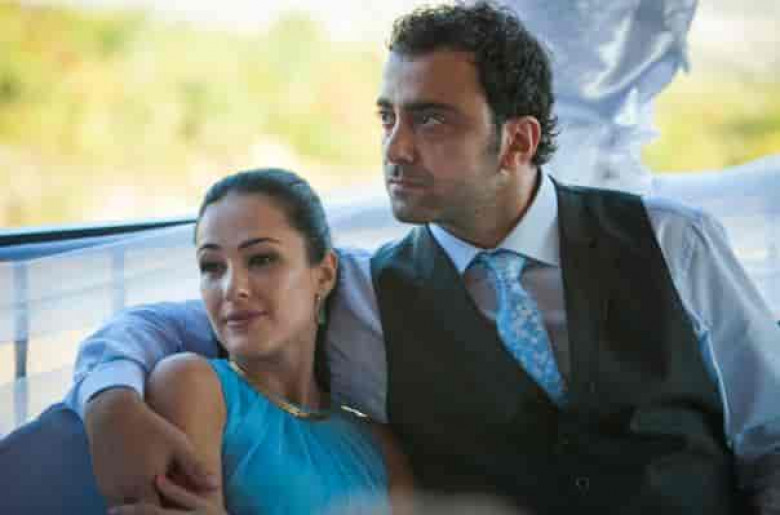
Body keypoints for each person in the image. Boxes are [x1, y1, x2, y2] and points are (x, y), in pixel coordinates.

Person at [70, 2, 780, 514]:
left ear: (517, 141)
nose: (395, 149)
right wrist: (110, 403)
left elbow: (772, 435)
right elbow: (164, 325)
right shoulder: (363, 292)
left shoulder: (672, 241)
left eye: (430, 119)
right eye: (388, 117)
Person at [112, 168, 410, 514]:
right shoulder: (191, 385)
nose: (232, 288)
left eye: (261, 259)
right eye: (212, 267)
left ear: (325, 274)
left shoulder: (380, 447)